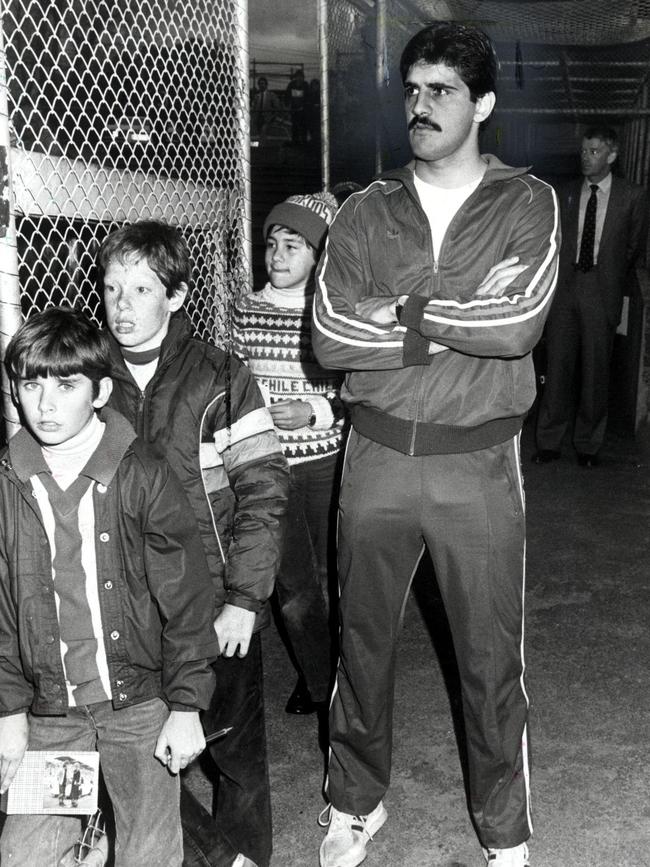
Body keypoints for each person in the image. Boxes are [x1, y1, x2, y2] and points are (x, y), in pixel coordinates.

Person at [312, 21, 561, 867]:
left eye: (442, 91)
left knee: (491, 657)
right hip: (375, 455)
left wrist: (406, 307)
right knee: (362, 643)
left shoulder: (527, 201)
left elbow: (518, 322)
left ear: (483, 103)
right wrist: (455, 314)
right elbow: (330, 333)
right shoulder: (363, 208)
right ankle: (354, 803)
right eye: (413, 90)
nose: (421, 106)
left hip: (478, 461)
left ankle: (505, 831)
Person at [98, 220, 289, 867]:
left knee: (233, 752)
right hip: (127, 609)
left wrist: (244, 596)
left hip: (212, 604)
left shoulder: (220, 376)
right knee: (128, 755)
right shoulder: (87, 380)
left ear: (176, 294)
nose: (122, 305)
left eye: (141, 288)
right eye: (112, 287)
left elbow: (263, 490)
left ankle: (245, 854)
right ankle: (217, 858)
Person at [0, 307, 219, 866]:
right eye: (32, 385)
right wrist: (7, 713)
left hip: (138, 704)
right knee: (27, 855)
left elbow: (187, 598)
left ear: (99, 391)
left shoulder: (141, 471)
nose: (46, 406)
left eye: (66, 385)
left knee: (149, 849)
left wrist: (187, 705)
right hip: (52, 713)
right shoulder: (8, 480)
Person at [232, 191, 344, 716]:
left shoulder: (335, 316)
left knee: (338, 576)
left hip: (326, 462)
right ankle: (321, 680)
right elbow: (230, 389)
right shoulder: (245, 312)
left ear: (320, 256)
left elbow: (360, 391)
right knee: (293, 588)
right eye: (272, 243)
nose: (277, 255)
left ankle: (348, 668)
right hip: (269, 470)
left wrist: (315, 411)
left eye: (294, 245)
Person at [533, 125, 648, 467]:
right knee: (557, 368)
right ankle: (549, 442)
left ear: (612, 156)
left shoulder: (633, 196)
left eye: (595, 151)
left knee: (596, 372)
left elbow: (633, 247)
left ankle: (588, 445)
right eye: (584, 151)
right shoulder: (565, 192)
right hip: (565, 290)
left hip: (602, 289)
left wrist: (608, 277)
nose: (586, 157)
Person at [251, 76, 281, 141]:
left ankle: (263, 147)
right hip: (258, 119)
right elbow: (253, 107)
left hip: (268, 119)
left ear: (266, 85)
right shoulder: (257, 96)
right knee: (257, 135)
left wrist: (273, 117)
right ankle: (259, 146)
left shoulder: (271, 95)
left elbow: (277, 107)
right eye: (260, 84)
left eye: (263, 84)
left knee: (264, 132)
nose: (261, 85)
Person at [285, 68, 309, 145]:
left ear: (303, 77)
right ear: (295, 77)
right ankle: (295, 142)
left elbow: (308, 98)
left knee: (304, 127)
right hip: (294, 110)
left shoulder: (306, 85)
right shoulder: (291, 85)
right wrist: (288, 106)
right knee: (294, 127)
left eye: (301, 76)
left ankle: (304, 142)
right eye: (298, 76)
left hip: (303, 111)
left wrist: (304, 106)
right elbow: (287, 96)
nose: (299, 78)